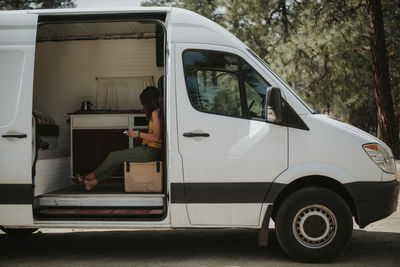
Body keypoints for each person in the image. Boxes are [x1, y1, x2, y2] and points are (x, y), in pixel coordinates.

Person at [76, 86, 162, 191]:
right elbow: (153, 135)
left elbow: (157, 137)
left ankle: (90, 176)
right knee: (117, 161)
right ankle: (92, 183)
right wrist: (139, 136)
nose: (143, 105)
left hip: (150, 151)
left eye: (143, 102)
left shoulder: (155, 113)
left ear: (149, 100)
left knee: (113, 156)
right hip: (147, 148)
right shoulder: (156, 112)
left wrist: (138, 134)